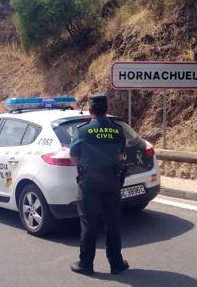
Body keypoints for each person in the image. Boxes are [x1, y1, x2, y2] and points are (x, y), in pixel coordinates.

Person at [69, 93, 129, 276]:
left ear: (90, 110)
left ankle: (86, 264)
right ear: (107, 109)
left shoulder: (82, 130)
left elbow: (73, 159)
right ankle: (116, 263)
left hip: (89, 182)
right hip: (112, 181)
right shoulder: (118, 130)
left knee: (89, 223)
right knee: (113, 222)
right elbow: (121, 156)